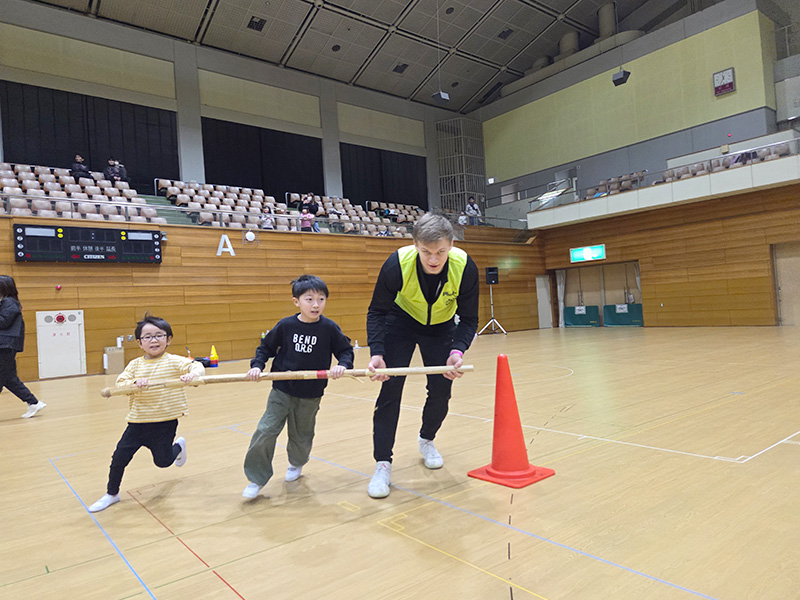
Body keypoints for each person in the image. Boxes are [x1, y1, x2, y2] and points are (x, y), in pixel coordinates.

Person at [365, 213, 479, 498]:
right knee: (390, 390)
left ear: (451, 245)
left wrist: (457, 350)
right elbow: (376, 312)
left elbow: (469, 319)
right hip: (400, 322)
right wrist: (377, 352)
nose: (433, 259)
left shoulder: (465, 267)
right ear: (415, 244)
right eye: (426, 252)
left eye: (440, 251)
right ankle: (382, 463)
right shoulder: (396, 264)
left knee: (441, 391)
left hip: (441, 327)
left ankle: (427, 439)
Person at [242, 275, 354, 499]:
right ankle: (257, 478)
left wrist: (343, 365)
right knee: (265, 430)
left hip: (311, 394)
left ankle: (297, 462)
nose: (315, 304)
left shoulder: (329, 328)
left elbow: (345, 350)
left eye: (321, 299)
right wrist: (257, 366)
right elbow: (265, 348)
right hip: (282, 390)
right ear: (296, 301)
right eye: (309, 299)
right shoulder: (286, 326)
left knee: (302, 436)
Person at [88, 315, 204, 513]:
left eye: (159, 335)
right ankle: (112, 494)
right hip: (138, 423)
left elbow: (197, 366)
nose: (154, 340)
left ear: (168, 339)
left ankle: (178, 447)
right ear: (140, 343)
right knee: (119, 458)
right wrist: (134, 383)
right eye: (148, 337)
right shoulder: (135, 365)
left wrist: (193, 375)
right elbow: (120, 383)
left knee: (163, 462)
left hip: (165, 423)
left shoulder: (175, 361)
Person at [0, 276, 46, 419]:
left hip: (5, 346)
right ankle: (33, 402)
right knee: (9, 379)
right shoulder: (8, 302)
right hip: (5, 345)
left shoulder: (9, 303)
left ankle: (34, 402)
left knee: (5, 377)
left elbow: (3, 322)